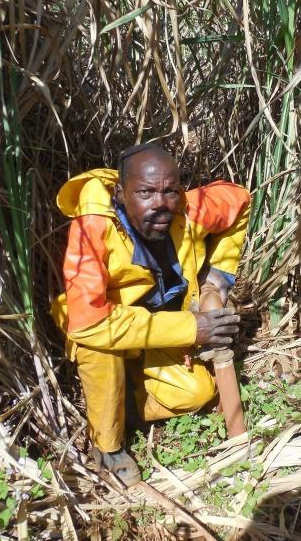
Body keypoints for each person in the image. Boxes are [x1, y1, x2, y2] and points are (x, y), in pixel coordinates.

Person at [51, 144, 250, 486]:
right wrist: (192, 328)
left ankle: (124, 404)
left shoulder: (186, 209)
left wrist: (216, 281)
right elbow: (89, 323)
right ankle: (108, 446)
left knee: (196, 395)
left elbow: (239, 199)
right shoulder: (93, 225)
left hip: (155, 326)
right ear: (120, 193)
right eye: (145, 192)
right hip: (105, 327)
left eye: (170, 191)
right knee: (98, 349)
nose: (160, 203)